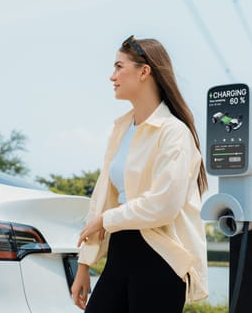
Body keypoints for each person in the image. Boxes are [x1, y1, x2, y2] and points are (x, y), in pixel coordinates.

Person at [71, 35, 208, 312]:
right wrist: (84, 264)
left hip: (160, 257)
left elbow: (164, 205)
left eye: (119, 67)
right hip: (121, 251)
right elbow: (103, 197)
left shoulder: (174, 133)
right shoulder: (121, 129)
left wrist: (105, 220)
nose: (112, 76)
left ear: (144, 71)